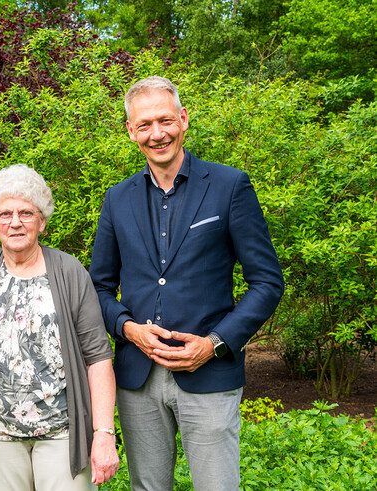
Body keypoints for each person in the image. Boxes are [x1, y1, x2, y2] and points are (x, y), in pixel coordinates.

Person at [90, 76, 284, 490]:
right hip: (138, 377)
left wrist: (213, 343)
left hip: (210, 372)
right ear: (130, 131)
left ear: (183, 119)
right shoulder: (117, 198)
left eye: (165, 120)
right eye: (144, 125)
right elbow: (98, 288)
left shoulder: (230, 186)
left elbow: (266, 282)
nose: (157, 134)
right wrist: (128, 329)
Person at [0, 164, 119, 491]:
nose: (15, 222)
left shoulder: (70, 272)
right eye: (5, 214)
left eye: (26, 213)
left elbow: (98, 358)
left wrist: (104, 433)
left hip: (63, 433)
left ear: (42, 221)